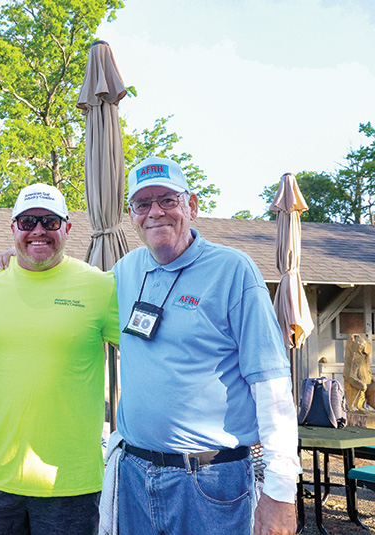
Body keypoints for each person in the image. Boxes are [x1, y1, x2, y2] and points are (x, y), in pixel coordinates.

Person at [112, 156, 299, 535]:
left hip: (211, 482)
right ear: (131, 215)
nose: (155, 212)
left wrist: (281, 492)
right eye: (142, 204)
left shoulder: (234, 270)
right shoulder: (124, 271)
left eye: (167, 199)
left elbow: (273, 386)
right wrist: (11, 262)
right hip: (135, 474)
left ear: (192, 206)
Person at [0, 183, 120, 535]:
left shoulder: (101, 287)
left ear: (67, 228)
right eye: (27, 221)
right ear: (13, 228)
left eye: (49, 222)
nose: (38, 231)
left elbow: (149, 354)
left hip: (71, 485)